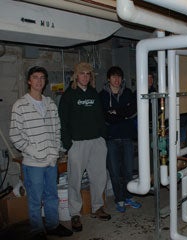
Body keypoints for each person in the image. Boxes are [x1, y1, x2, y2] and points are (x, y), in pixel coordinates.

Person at [9, 66, 73, 239]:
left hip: (51, 161)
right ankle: (37, 230)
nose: (39, 80)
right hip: (33, 163)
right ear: (29, 81)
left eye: (42, 77)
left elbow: (57, 129)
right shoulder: (20, 105)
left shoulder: (50, 103)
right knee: (35, 199)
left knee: (52, 196)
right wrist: (34, 151)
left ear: (45, 81)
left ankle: (52, 226)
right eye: (35, 77)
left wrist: (56, 151)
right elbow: (15, 135)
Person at [58, 62, 111, 232]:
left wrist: (103, 137)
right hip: (77, 144)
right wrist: (68, 145)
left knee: (99, 177)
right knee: (75, 179)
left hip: (96, 142)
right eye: (82, 74)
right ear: (76, 75)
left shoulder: (93, 93)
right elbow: (63, 122)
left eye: (88, 74)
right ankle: (74, 213)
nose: (85, 77)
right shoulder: (68, 95)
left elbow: (100, 117)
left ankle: (97, 207)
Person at [99, 66, 141, 213]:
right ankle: (120, 199)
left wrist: (116, 112)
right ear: (108, 79)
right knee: (115, 172)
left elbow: (132, 111)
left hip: (127, 137)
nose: (116, 80)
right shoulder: (102, 96)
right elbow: (106, 116)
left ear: (122, 79)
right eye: (113, 77)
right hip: (111, 139)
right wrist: (122, 113)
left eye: (119, 77)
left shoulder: (128, 93)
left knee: (128, 170)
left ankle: (129, 196)